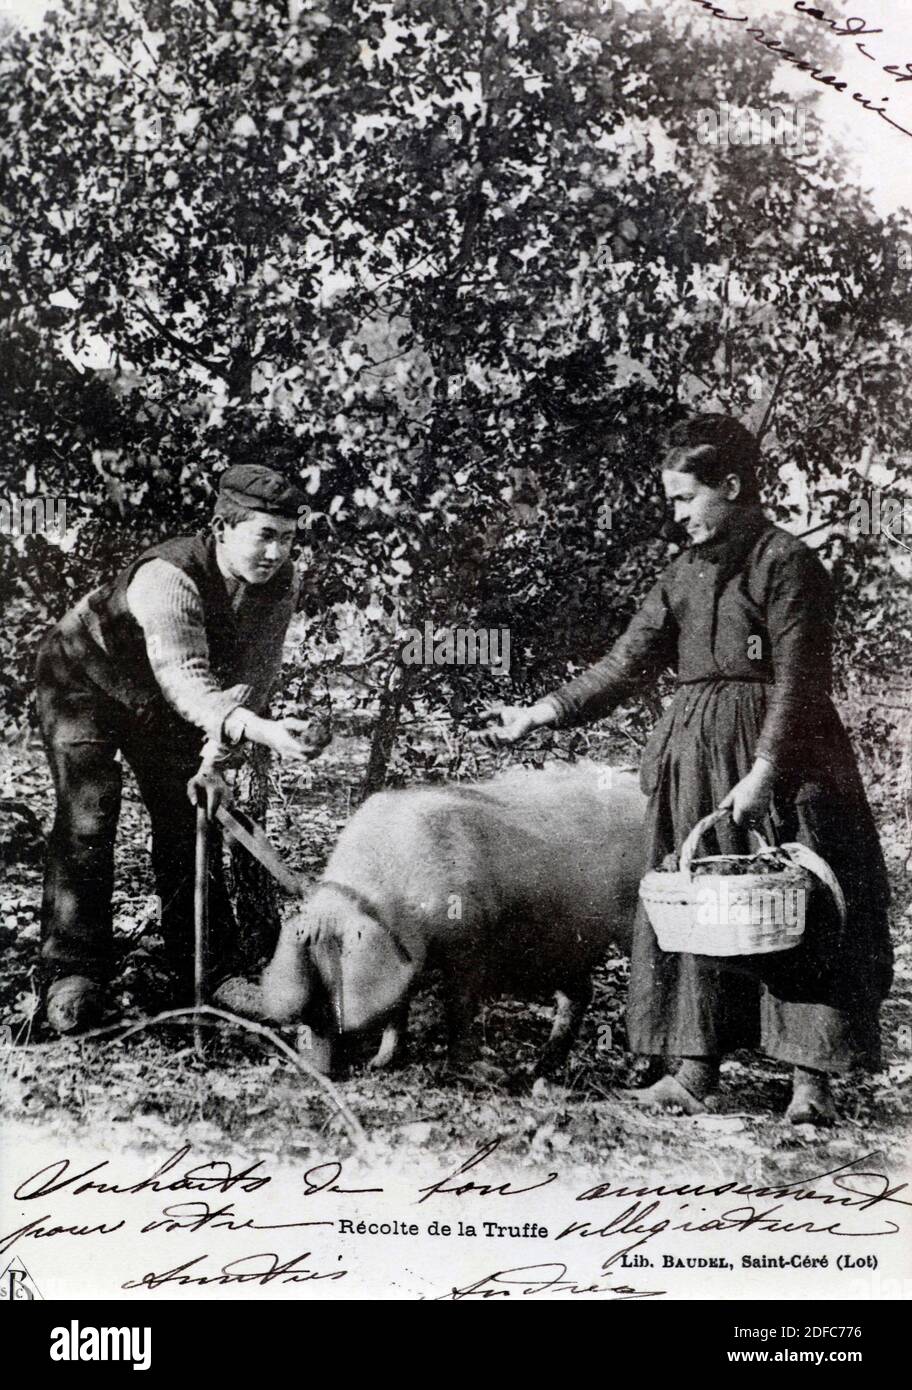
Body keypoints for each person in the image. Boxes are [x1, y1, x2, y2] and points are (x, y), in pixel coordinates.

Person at [490, 414, 892, 1124]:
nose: (676, 514)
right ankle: (694, 1070)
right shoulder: (680, 574)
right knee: (695, 905)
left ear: (731, 486)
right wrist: (542, 711)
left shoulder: (786, 563)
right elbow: (625, 660)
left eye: (685, 498)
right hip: (694, 758)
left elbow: (800, 681)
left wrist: (766, 771)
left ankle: (810, 1085)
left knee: (796, 901)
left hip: (786, 759)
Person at [35, 463, 327, 1035]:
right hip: (83, 678)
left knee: (189, 813)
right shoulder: (168, 576)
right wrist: (264, 733)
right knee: (89, 816)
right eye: (263, 535)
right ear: (222, 527)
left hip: (160, 699)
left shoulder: (282, 581)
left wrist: (215, 761)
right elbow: (187, 681)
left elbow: (251, 677)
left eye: (288, 538)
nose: (276, 552)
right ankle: (73, 973)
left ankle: (209, 972)